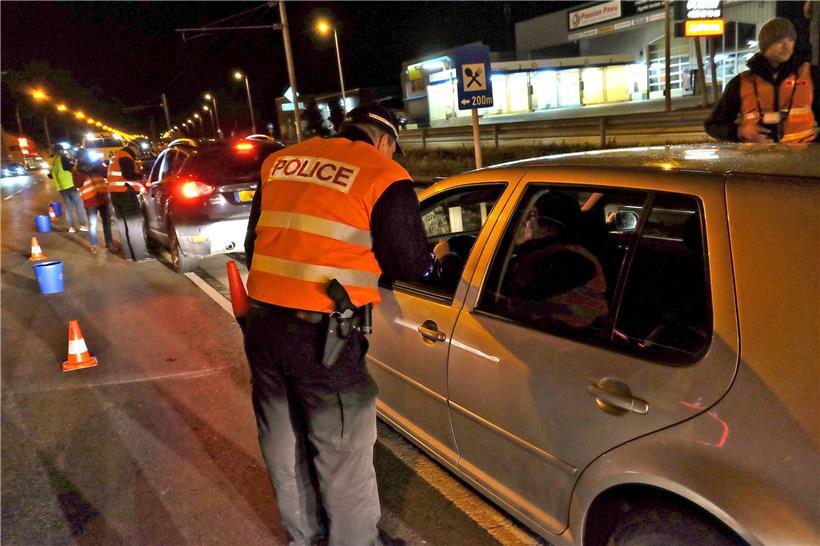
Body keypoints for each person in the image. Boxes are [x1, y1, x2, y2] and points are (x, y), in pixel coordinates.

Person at [243, 103, 444, 546]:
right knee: (342, 449)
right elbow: (408, 262)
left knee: (283, 440)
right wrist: (435, 262)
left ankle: (305, 538)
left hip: (262, 326)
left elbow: (253, 239)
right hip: (322, 336)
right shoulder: (382, 173)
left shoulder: (281, 162)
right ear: (386, 141)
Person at [503, 191, 608, 330]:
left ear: (542, 220)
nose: (526, 224)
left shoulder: (565, 258)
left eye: (531, 216)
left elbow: (513, 297)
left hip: (571, 339)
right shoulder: (572, 253)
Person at [704, 17, 820, 143]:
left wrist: (814, 150)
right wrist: (740, 131)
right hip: (758, 160)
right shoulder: (742, 82)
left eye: (791, 40)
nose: (786, 46)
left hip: (800, 160)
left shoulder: (811, 75)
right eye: (779, 41)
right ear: (765, 46)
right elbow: (713, 125)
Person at [106, 141, 144, 255]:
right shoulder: (125, 157)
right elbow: (128, 175)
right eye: (138, 150)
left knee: (123, 225)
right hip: (125, 194)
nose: (138, 153)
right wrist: (142, 176)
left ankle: (129, 254)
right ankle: (139, 255)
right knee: (134, 224)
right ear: (132, 147)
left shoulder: (117, 155)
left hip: (115, 194)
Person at [74, 151, 114, 254]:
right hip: (90, 200)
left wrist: (99, 164)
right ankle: (94, 245)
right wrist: (83, 172)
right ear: (78, 159)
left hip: (103, 197)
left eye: (85, 157)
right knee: (92, 224)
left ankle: (109, 244)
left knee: (107, 222)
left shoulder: (96, 166)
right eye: (81, 157)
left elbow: (106, 173)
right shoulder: (77, 170)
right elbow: (78, 184)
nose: (84, 159)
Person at [49, 144, 88, 233]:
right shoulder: (62, 158)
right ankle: (82, 225)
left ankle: (71, 227)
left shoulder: (53, 161)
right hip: (70, 185)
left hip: (61, 188)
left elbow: (51, 175)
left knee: (69, 207)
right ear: (61, 150)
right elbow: (71, 168)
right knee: (79, 205)